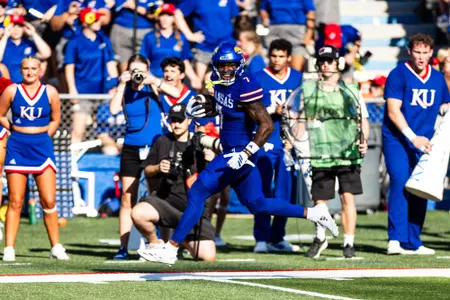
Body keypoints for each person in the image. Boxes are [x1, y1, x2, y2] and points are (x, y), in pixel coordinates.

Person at [137, 42, 338, 265]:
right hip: (233, 152)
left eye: (230, 65)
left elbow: (267, 125)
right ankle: (314, 213)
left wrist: (246, 152)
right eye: (222, 66)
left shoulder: (245, 85)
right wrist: (205, 105)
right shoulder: (221, 84)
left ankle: (170, 249)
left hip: (238, 153)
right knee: (257, 204)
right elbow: (226, 107)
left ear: (239, 65)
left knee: (197, 192)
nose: (225, 70)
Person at [383, 34, 450, 255]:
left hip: (425, 142)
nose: (421, 57)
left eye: (425, 52)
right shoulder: (398, 74)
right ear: (410, 52)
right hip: (398, 139)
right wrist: (412, 137)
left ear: (432, 53)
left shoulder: (438, 78)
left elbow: (445, 105)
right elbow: (393, 111)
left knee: (420, 186)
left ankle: (414, 240)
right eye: (417, 52)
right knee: (401, 180)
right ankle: (395, 239)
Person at [109, 54, 180, 260]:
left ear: (148, 68)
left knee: (157, 196)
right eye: (134, 71)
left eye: (141, 70)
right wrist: (122, 83)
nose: (137, 75)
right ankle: (123, 248)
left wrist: (154, 79)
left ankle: (160, 244)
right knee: (127, 198)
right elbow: (113, 109)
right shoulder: (125, 88)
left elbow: (175, 92)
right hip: (131, 147)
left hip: (154, 147)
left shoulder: (153, 85)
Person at [302, 45, 369, 259]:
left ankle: (348, 242)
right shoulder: (310, 90)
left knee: (347, 197)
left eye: (330, 61)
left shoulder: (350, 90)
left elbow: (362, 119)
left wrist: (363, 140)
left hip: (347, 151)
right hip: (321, 152)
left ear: (337, 63)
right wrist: (294, 141)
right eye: (322, 62)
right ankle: (320, 238)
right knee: (320, 201)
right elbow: (300, 120)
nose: (326, 65)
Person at [0, 56, 69, 261]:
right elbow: (1, 114)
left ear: (40, 70)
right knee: (15, 200)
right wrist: (14, 129)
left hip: (41, 147)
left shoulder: (50, 92)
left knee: (48, 199)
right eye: (25, 68)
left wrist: (45, 135)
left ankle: (56, 246)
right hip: (18, 147)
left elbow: (56, 118)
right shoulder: (12, 91)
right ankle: (9, 248)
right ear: (20, 70)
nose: (29, 72)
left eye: (33, 68)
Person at [132, 103, 216, 262]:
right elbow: (147, 170)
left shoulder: (201, 142)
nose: (176, 124)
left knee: (208, 257)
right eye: (173, 120)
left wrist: (211, 160)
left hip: (194, 208)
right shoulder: (162, 141)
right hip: (166, 202)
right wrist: (157, 168)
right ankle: (156, 245)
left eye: (180, 120)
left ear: (189, 121)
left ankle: (181, 241)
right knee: (138, 213)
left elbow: (217, 176)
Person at [252, 39, 302, 253]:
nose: (277, 60)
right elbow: (252, 110)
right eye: (273, 56)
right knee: (262, 189)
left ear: (289, 57)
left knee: (285, 191)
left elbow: (304, 111)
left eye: (281, 56)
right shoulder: (259, 78)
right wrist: (273, 109)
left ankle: (277, 236)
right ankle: (261, 238)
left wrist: (296, 136)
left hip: (289, 141)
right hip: (266, 140)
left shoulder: (298, 79)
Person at [64, 7, 118, 145]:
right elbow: (69, 67)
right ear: (86, 21)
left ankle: (108, 163)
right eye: (95, 18)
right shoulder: (75, 42)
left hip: (103, 92)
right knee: (78, 131)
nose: (99, 21)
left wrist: (115, 85)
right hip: (83, 92)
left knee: (105, 133)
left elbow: (110, 63)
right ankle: (72, 164)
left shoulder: (103, 38)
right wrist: (72, 91)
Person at [175, 0, 240, 85]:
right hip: (204, 46)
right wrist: (189, 35)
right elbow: (178, 13)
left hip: (226, 47)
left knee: (229, 83)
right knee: (199, 84)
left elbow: (235, 18)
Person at [140, 3, 201, 90]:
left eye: (169, 15)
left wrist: (194, 78)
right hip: (156, 80)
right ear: (158, 17)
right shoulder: (149, 37)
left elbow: (184, 60)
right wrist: (149, 77)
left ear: (173, 18)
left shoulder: (181, 38)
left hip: (175, 81)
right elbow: (145, 59)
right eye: (162, 15)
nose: (165, 19)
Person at [259, 0, 315, 71]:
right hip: (275, 31)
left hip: (296, 33)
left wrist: (308, 36)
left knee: (296, 69)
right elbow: (263, 9)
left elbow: (310, 12)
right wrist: (265, 18)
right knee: (276, 67)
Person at [0, 15, 51, 83]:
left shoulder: (29, 44)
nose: (16, 30)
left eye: (19, 27)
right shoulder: (3, 44)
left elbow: (46, 54)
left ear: (24, 28)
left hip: (27, 86)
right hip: (7, 86)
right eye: (13, 27)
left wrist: (33, 33)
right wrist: (5, 36)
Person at [110, 0, 154, 72]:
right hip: (122, 28)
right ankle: (127, 82)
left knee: (142, 62)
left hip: (144, 30)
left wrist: (135, 7)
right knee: (124, 63)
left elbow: (155, 14)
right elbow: (114, 6)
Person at [159, 57, 196, 132]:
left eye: (173, 71)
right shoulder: (159, 97)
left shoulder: (193, 98)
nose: (168, 74)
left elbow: (201, 125)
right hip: (164, 141)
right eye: (166, 71)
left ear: (182, 75)